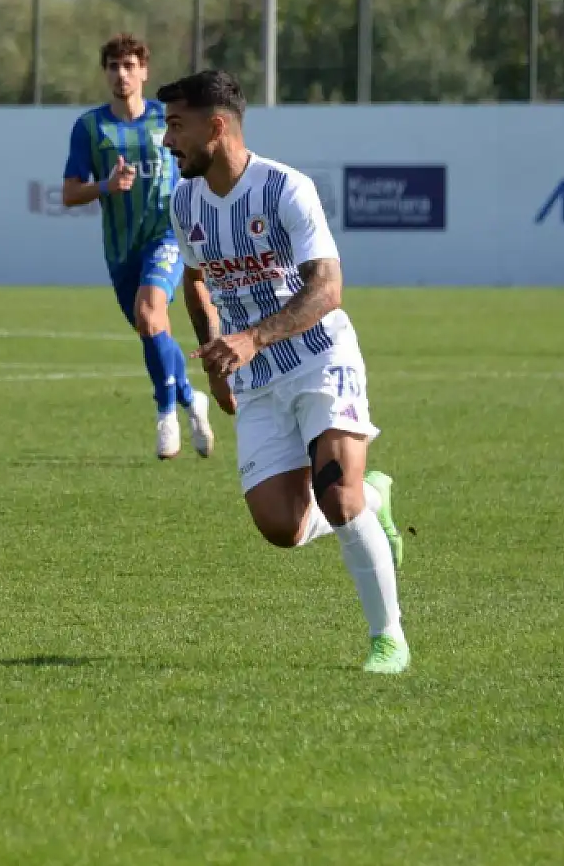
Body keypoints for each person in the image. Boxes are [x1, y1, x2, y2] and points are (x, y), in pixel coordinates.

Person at [159, 69, 409, 674]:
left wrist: (250, 337)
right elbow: (194, 280)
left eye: (176, 127)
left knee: (337, 497)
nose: (168, 142)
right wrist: (217, 352)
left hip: (322, 359)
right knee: (282, 527)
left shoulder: (285, 190)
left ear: (216, 127)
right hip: (255, 379)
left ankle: (389, 640)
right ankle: (375, 496)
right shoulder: (184, 201)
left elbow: (328, 289)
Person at [61, 33, 214, 461]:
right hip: (120, 249)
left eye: (129, 65)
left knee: (151, 315)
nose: (121, 74)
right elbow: (70, 193)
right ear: (105, 72)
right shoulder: (91, 127)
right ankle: (189, 398)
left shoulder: (167, 119)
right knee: (152, 330)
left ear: (144, 71)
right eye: (113, 66)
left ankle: (166, 414)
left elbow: (196, 165)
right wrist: (106, 187)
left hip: (167, 236)